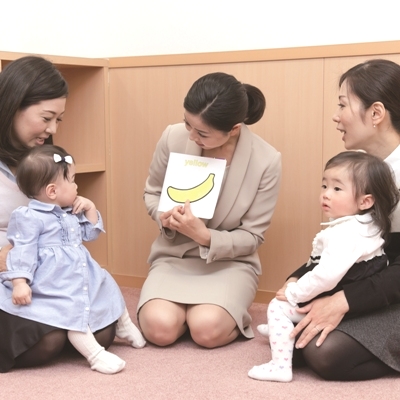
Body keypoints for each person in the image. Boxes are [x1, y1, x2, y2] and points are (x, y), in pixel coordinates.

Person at [138, 72, 282, 348]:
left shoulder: (266, 160)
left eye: (202, 133)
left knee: (206, 331)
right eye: (187, 124)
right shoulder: (173, 137)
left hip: (230, 264)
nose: (192, 136)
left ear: (235, 129)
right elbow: (153, 192)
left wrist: (205, 237)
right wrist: (164, 216)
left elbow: (253, 236)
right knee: (159, 330)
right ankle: (185, 313)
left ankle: (213, 312)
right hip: (174, 256)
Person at [0, 55, 124, 371]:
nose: (53, 128)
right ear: (13, 106)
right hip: (10, 275)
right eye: (46, 117)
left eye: (59, 119)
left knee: (104, 330)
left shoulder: (45, 161)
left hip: (46, 277)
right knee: (49, 340)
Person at [286, 59, 400, 381]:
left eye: (342, 105)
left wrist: (344, 301)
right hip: (382, 281)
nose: (336, 117)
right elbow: (346, 243)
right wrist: (296, 278)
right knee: (293, 338)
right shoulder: (362, 167)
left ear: (376, 114)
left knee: (325, 352)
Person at [248, 151, 399, 382]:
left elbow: (325, 275)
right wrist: (297, 276)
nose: (326, 195)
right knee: (300, 342)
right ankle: (283, 329)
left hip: (353, 292)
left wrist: (293, 293)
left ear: (365, 201)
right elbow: (319, 263)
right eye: (324, 186)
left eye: (337, 189)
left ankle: (279, 366)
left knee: (277, 307)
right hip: (357, 289)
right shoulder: (365, 223)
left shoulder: (346, 234)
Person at [0, 145, 145, 374]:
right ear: (52, 191)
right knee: (73, 308)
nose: (77, 186)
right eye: (72, 180)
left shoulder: (68, 211)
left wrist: (90, 208)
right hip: (54, 280)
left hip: (79, 271)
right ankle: (95, 356)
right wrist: (19, 282)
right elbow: (22, 251)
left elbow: (90, 234)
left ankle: (124, 324)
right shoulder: (27, 217)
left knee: (107, 284)